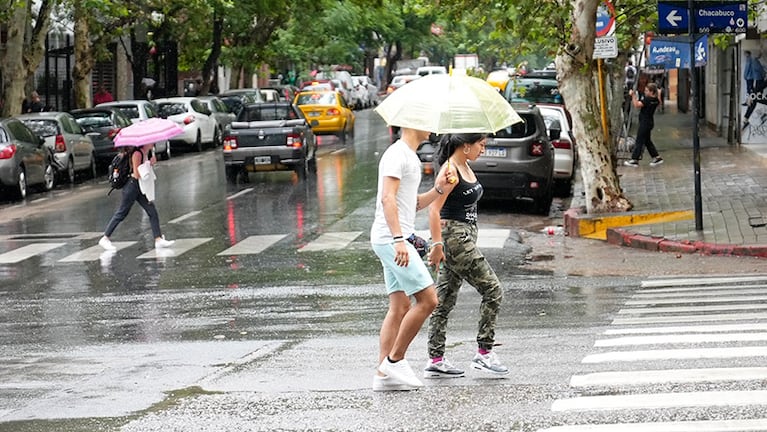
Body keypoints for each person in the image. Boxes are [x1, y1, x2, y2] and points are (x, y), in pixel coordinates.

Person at [369, 126, 454, 392]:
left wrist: (439, 190)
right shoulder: (397, 155)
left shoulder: (410, 156)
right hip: (391, 240)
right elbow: (387, 198)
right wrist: (398, 240)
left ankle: (383, 374)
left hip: (393, 239)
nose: (431, 126)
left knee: (400, 307)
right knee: (429, 299)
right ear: (412, 122)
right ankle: (395, 360)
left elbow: (412, 203)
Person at [423, 133, 509, 380]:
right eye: (481, 145)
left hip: (464, 237)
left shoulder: (464, 166)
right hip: (455, 238)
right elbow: (434, 210)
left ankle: (436, 359)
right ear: (465, 145)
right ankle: (484, 353)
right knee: (493, 290)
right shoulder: (450, 170)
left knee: (444, 300)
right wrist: (437, 244)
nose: (483, 150)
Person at [99, 143, 175, 251]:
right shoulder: (137, 154)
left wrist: (149, 163)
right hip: (131, 187)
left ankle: (158, 239)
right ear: (145, 143)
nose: (153, 143)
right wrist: (149, 163)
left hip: (139, 187)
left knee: (152, 211)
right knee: (122, 212)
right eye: (151, 142)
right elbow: (136, 174)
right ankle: (105, 238)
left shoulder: (144, 153)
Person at [624, 82, 663, 167]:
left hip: (644, 123)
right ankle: (657, 157)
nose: (645, 92)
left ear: (651, 92)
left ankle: (635, 159)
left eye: (647, 91)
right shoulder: (655, 100)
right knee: (647, 141)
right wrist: (659, 94)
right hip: (649, 122)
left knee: (639, 140)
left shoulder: (647, 99)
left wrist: (633, 95)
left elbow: (637, 105)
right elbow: (659, 102)